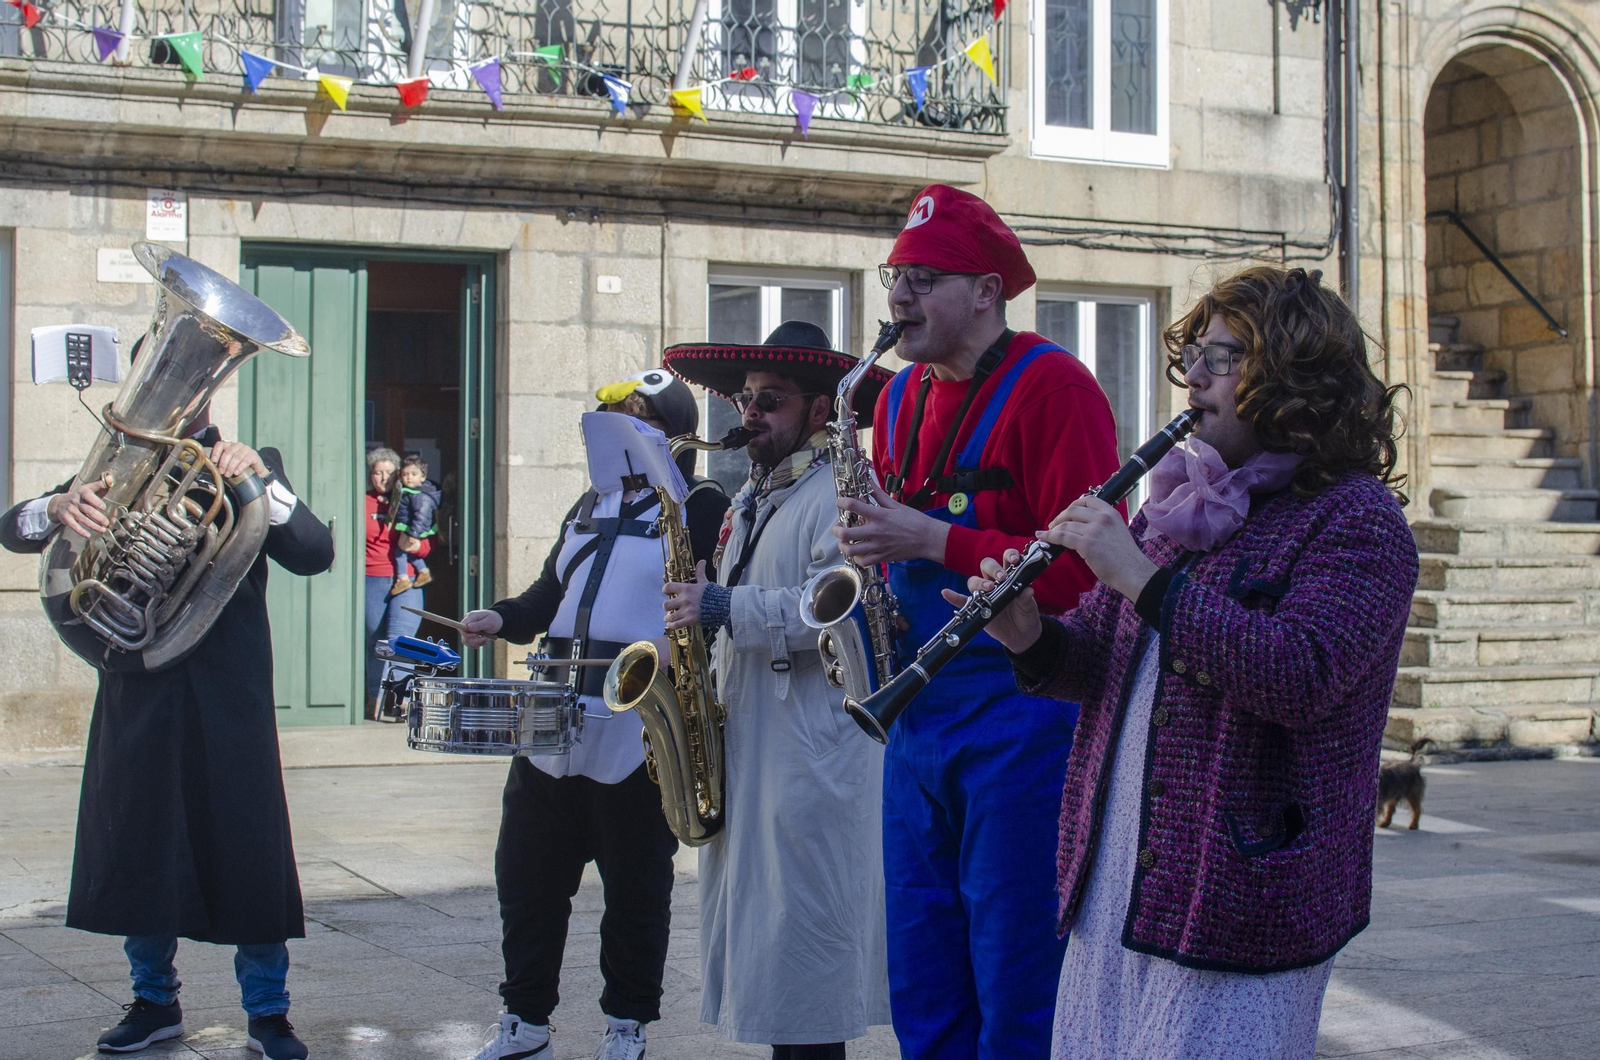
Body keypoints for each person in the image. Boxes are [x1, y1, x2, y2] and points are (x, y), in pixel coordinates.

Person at [967, 265, 1418, 1059]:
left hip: (1245, 897)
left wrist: (1137, 575)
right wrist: (1027, 632)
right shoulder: (1180, 505)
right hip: (1119, 882)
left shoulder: (1358, 521)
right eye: (1194, 358)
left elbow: (1300, 674)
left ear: (1293, 377)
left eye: (1223, 357)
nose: (1193, 380)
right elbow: (1100, 665)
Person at [831, 183, 1122, 1057]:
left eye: (924, 277)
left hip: (1019, 720)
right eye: (896, 276)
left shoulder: (1056, 389)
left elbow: (1086, 573)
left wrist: (931, 537)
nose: (898, 297)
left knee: (1018, 972)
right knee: (922, 972)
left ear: (988, 292)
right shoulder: (894, 399)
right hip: (914, 717)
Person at [0, 387, 334, 1060]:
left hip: (229, 689)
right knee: (142, 847)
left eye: (197, 382)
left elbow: (314, 550)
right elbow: (12, 529)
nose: (184, 396)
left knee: (248, 847)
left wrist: (262, 485)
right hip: (140, 680)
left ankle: (269, 1014)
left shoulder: (252, 465)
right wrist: (56, 507)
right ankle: (154, 1000)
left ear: (213, 393)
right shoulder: (117, 468)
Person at [455, 370, 730, 1060]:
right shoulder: (589, 502)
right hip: (554, 714)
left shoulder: (699, 503)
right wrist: (502, 617)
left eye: (635, 422)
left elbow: (712, 602)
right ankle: (525, 1023)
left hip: (638, 724)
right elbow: (549, 594)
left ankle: (626, 1026)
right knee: (524, 880)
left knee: (636, 889)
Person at [660, 322, 895, 1059]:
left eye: (770, 401)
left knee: (803, 965)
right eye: (744, 400)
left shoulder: (840, 489)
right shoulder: (758, 495)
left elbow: (836, 602)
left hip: (808, 757)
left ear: (822, 412)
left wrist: (723, 608)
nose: (749, 413)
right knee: (770, 956)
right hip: (759, 744)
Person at [365, 447, 430, 719]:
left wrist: (418, 545)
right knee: (375, 642)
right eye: (378, 473)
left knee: (401, 641)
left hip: (409, 579)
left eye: (390, 473)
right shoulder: (362, 501)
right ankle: (374, 700)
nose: (384, 478)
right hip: (373, 577)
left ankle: (399, 701)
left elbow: (428, 541)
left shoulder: (410, 499)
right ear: (370, 476)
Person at [389, 454, 442, 595]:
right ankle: (424, 572)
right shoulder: (409, 492)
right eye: (405, 474)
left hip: (415, 530)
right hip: (409, 527)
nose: (409, 477)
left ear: (423, 477)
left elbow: (422, 517)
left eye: (414, 474)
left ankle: (403, 578)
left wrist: (414, 534)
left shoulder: (421, 496)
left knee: (400, 553)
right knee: (408, 553)